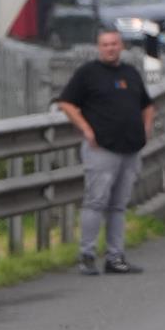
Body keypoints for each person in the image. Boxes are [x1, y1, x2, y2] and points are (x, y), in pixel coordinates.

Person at [55, 29, 152, 275]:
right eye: (105, 44)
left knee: (119, 205)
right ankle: (87, 255)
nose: (110, 48)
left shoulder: (130, 73)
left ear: (121, 46)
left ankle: (115, 256)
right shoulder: (88, 73)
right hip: (102, 148)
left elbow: (147, 105)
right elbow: (66, 103)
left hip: (130, 147)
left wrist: (145, 130)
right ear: (99, 47)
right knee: (96, 201)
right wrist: (86, 130)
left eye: (114, 44)